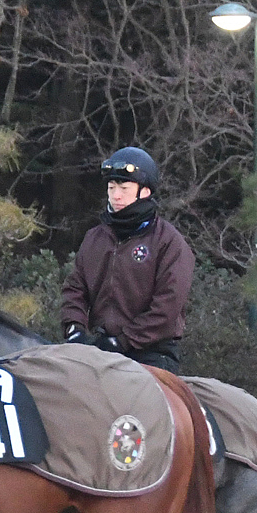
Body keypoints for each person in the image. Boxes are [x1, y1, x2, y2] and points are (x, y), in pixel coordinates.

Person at [60, 146, 194, 374]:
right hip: (101, 350)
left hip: (152, 354)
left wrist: (124, 340)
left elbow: (167, 307)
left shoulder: (169, 243)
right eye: (111, 188)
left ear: (145, 191)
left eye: (124, 188)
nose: (116, 195)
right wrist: (75, 329)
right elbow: (75, 289)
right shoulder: (94, 238)